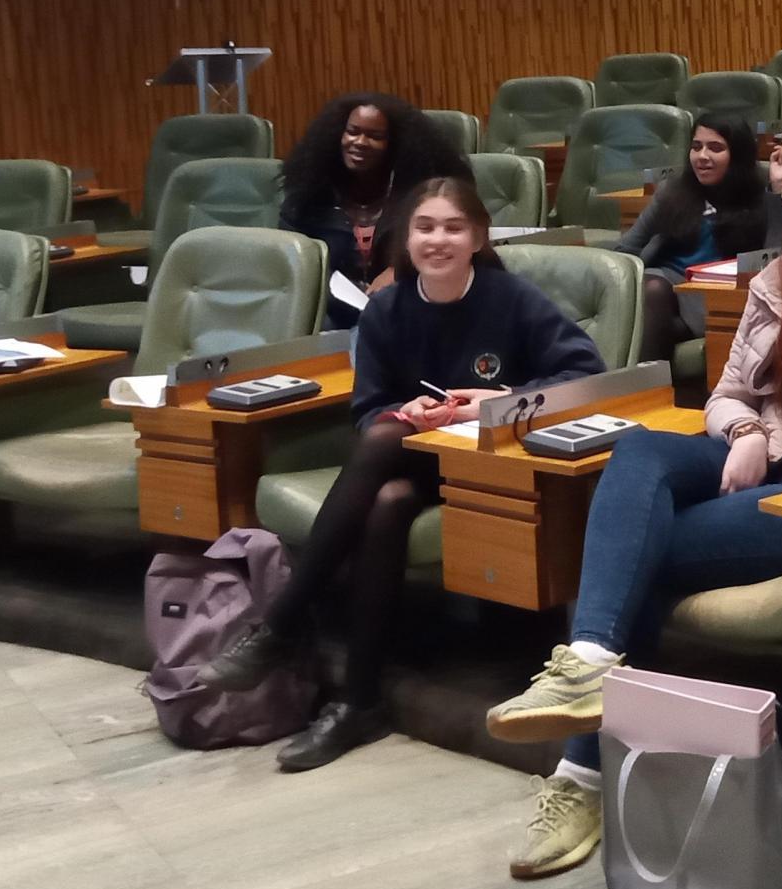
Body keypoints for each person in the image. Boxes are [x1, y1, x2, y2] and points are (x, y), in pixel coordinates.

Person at [485, 121, 782, 879]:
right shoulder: (775, 285)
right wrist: (743, 430)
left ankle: (577, 776)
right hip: (764, 462)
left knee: (630, 554)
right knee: (642, 451)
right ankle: (585, 662)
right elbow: (725, 396)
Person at [198, 175, 604, 771]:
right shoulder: (388, 306)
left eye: (452, 227)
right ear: (406, 238)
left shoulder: (509, 298)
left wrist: (496, 400)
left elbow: (583, 374)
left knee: (387, 486)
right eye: (424, 227)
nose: (437, 240)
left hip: (491, 465)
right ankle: (356, 699)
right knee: (386, 478)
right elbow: (368, 411)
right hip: (412, 456)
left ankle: (284, 627)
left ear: (478, 237)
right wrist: (406, 413)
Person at [281, 93, 471, 329]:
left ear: (395, 145)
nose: (360, 142)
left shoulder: (423, 197)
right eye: (353, 131)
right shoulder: (308, 198)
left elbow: (454, 249)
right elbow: (292, 267)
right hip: (332, 319)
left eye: (375, 136)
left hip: (409, 313)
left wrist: (401, 269)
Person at [615, 113, 782, 363]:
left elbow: (775, 261)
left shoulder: (762, 201)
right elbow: (626, 249)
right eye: (696, 147)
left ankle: (644, 390)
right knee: (652, 287)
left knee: (657, 318)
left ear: (737, 155)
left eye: (715, 148)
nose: (702, 156)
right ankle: (644, 391)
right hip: (667, 287)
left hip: (717, 294)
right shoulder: (672, 193)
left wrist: (780, 191)